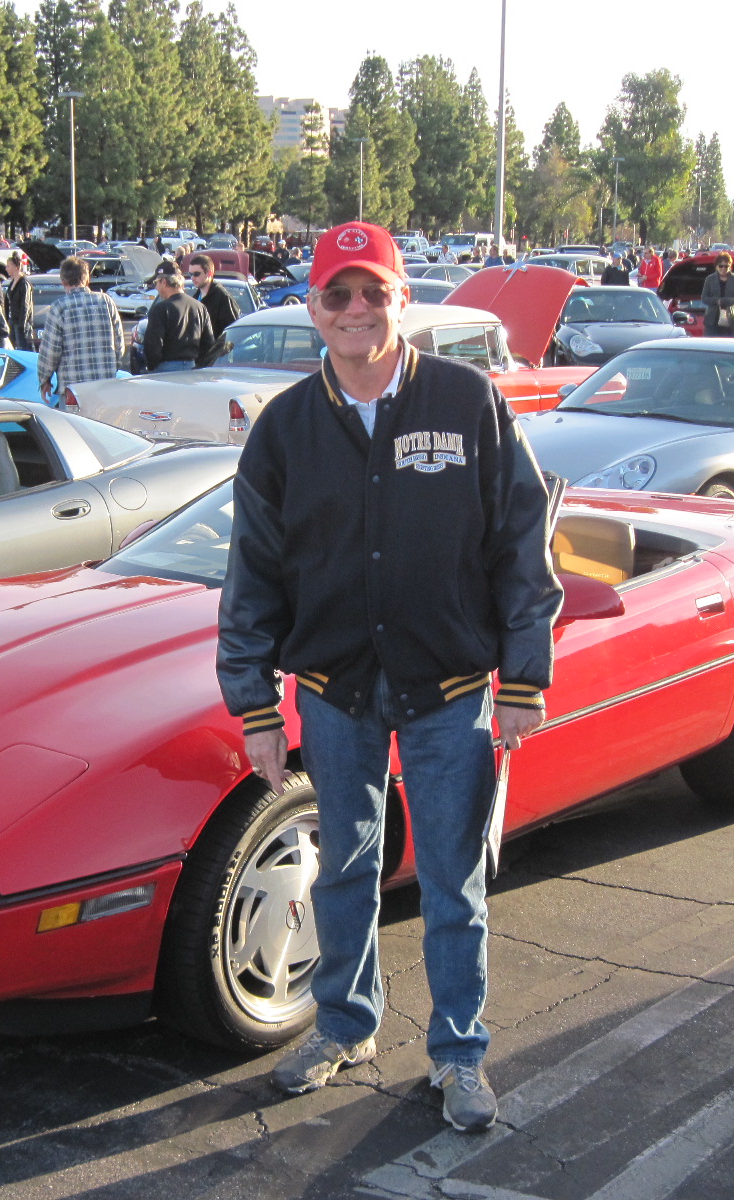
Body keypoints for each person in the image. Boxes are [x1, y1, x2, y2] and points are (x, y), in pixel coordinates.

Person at [219, 220, 560, 1133]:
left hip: (450, 693)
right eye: (339, 294)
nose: (357, 309)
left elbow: (520, 542)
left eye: (374, 291)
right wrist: (255, 704)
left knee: (453, 881)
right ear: (313, 308)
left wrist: (524, 677)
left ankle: (459, 1054)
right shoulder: (285, 429)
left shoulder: (468, 401)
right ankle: (344, 1026)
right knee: (343, 872)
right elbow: (253, 574)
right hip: (335, 694)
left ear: (402, 300)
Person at [37, 256, 125, 404]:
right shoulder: (106, 302)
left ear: (63, 281)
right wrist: (113, 366)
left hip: (73, 390)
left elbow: (50, 351)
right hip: (105, 385)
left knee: (72, 420)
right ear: (87, 278)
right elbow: (119, 344)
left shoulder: (59, 307)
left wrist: (44, 379)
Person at [141, 263, 213, 373]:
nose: (156, 288)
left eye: (156, 283)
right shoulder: (199, 307)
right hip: (192, 367)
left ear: (164, 282)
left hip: (165, 368)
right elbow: (208, 343)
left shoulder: (160, 309)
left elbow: (153, 346)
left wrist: (152, 367)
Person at [188, 253, 240, 341]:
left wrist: (216, 347)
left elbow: (232, 331)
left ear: (209, 273)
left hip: (216, 348)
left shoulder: (223, 298)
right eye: (190, 274)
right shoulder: (195, 298)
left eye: (196, 274)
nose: (192, 278)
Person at [700, 253, 734, 337]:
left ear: (730, 267)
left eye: (726, 266)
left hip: (730, 319)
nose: (723, 268)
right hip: (712, 320)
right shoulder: (710, 279)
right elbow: (704, 298)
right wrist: (717, 301)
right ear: (716, 266)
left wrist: (725, 301)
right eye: (720, 266)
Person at [4, 253, 36, 351]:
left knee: (23, 346)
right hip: (12, 320)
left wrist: (22, 324)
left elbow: (25, 305)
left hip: (21, 322)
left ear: (16, 267)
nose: (6, 269)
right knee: (12, 346)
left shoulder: (24, 284)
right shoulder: (11, 283)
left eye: (8, 266)